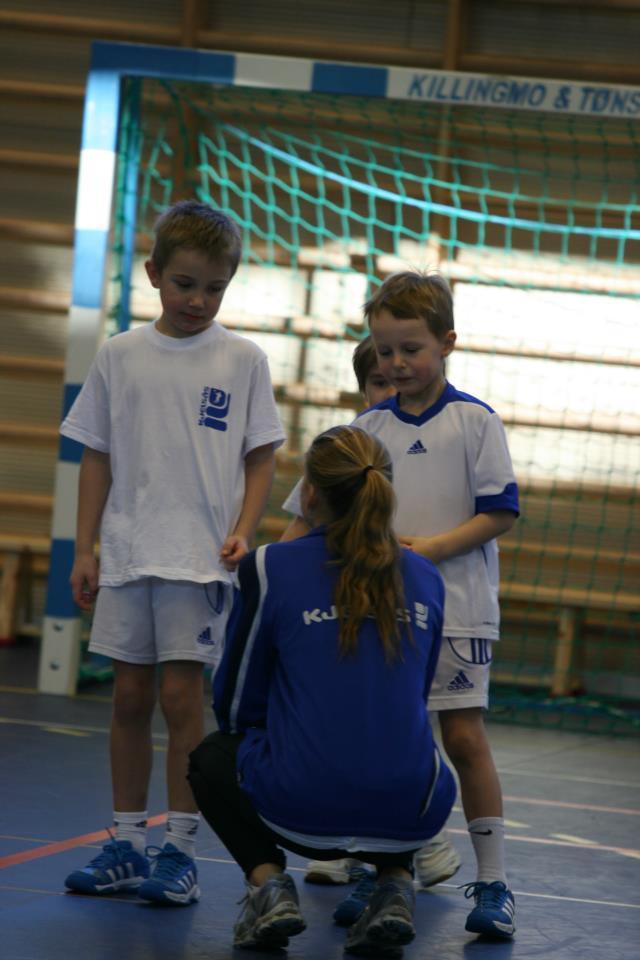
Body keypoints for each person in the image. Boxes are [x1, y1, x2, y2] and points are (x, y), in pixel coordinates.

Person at [282, 272, 519, 939]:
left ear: (447, 343)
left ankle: (495, 881)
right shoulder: (367, 427)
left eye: (409, 349)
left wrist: (433, 550)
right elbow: (315, 514)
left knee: (464, 739)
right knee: (386, 744)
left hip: (459, 610)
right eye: (384, 352)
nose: (395, 364)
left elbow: (500, 511)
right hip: (383, 615)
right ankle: (387, 874)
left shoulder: (475, 421)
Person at [61, 200, 285, 906]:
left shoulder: (243, 358)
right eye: (186, 283)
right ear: (155, 274)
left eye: (214, 287)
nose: (198, 300)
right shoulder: (120, 354)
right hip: (128, 554)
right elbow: (95, 456)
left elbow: (262, 455)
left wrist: (246, 528)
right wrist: (86, 547)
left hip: (199, 560)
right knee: (129, 697)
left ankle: (179, 850)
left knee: (183, 697)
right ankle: (126, 841)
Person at [188, 425, 456, 955]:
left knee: (212, 757)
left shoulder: (269, 565)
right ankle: (396, 886)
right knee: (396, 750)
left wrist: (283, 740)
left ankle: (270, 887)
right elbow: (416, 696)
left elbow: (237, 698)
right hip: (413, 808)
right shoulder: (426, 576)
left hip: (300, 804)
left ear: (309, 492)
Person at [303, 337, 462, 917]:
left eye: (398, 380)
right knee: (341, 705)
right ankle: (343, 838)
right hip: (348, 597)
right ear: (362, 390)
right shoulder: (347, 449)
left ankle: (417, 839)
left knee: (400, 714)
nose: (389, 390)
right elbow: (304, 522)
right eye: (376, 382)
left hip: (406, 596)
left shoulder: (448, 435)